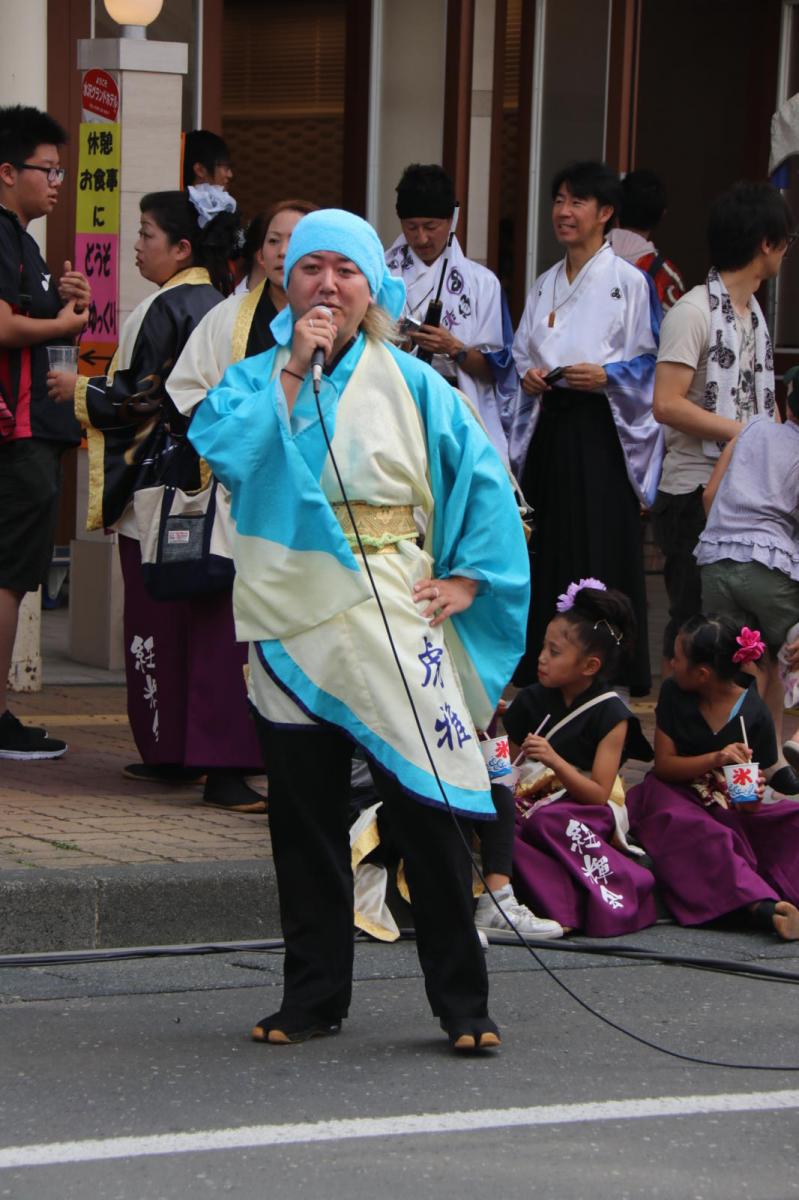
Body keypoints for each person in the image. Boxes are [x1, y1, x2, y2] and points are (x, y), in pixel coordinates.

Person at [188, 208, 530, 1051]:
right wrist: (294, 374)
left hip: (391, 601)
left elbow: (481, 478)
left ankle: (463, 1004)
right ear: (284, 281)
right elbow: (227, 450)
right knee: (302, 818)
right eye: (311, 269)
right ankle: (311, 998)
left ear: (371, 286)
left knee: (430, 802)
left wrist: (466, 577)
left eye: (345, 270)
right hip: (288, 611)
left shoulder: (414, 382)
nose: (327, 285)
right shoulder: (256, 376)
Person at [47, 190, 264, 811]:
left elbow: (145, 398)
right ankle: (198, 751)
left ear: (183, 247)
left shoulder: (172, 306)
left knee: (162, 624)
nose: (137, 245)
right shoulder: (222, 306)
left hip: (166, 488)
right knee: (200, 627)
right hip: (213, 488)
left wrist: (82, 390)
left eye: (146, 234)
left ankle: (173, 751)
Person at [509, 161, 662, 694]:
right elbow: (520, 354)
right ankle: (546, 666)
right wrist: (527, 378)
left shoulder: (630, 282)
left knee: (600, 545)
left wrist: (609, 375)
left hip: (602, 427)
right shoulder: (545, 282)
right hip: (552, 422)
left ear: (606, 213)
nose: (563, 212)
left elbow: (650, 366)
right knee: (548, 546)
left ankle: (608, 672)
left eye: (577, 202)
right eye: (559, 200)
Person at [650, 182, 793, 677]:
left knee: (742, 639)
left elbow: (765, 404)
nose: (786, 251)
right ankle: (674, 741)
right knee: (693, 628)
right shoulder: (693, 311)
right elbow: (665, 404)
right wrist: (749, 435)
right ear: (765, 244)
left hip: (744, 493)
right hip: (693, 490)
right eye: (785, 240)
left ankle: (739, 746)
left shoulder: (753, 313)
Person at [0, 105, 90, 760]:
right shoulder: (2, 236)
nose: (58, 181)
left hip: (29, 429)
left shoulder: (23, 242)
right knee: (8, 578)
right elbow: (2, 327)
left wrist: (67, 306)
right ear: (8, 172)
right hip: (18, 430)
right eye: (48, 169)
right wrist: (62, 326)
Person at [626, 614, 799, 940]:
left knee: (790, 820)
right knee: (702, 832)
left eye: (677, 658)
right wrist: (716, 758)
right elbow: (664, 765)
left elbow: (747, 804)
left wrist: (751, 796)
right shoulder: (675, 693)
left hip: (726, 804)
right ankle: (762, 909)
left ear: (702, 674)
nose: (671, 664)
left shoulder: (754, 714)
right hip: (673, 791)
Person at [503, 581, 658, 937]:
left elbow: (598, 794)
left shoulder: (612, 714)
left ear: (589, 665)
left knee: (545, 823)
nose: (541, 657)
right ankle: (560, 906)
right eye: (543, 646)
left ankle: (617, 886)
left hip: (582, 806)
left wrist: (555, 762)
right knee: (502, 824)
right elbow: (507, 770)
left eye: (554, 652)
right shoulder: (529, 701)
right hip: (533, 799)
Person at [694, 387, 799, 791]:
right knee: (783, 652)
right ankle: (787, 745)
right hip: (771, 564)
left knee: (742, 665)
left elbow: (709, 494)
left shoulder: (753, 426)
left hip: (715, 555)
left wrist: (727, 538)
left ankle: (750, 769)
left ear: (787, 403)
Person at [385, 163, 515, 459]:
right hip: (392, 402)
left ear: (452, 219)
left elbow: (499, 369)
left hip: (456, 402)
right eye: (411, 227)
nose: (421, 238)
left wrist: (454, 348)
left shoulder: (482, 283)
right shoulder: (379, 275)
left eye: (431, 227)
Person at [169, 198, 318, 409]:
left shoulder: (337, 317)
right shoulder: (225, 314)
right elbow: (186, 389)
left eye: (295, 241)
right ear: (261, 256)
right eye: (273, 241)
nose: (282, 251)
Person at [608, 168, 686, 311]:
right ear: (662, 215)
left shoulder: (587, 256)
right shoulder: (665, 274)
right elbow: (673, 329)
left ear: (615, 208)